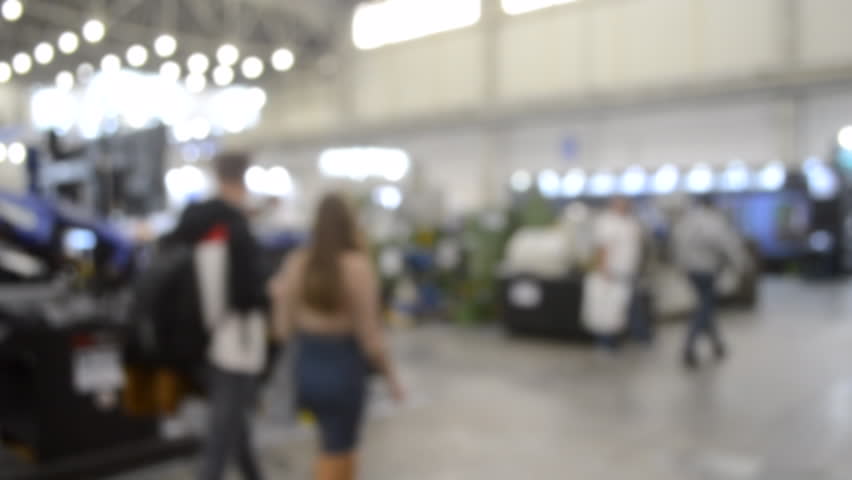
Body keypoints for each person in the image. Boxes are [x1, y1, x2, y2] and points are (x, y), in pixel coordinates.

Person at [268, 193, 404, 480]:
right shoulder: (357, 266)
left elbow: (281, 328)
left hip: (306, 364)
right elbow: (371, 338)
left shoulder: (297, 261)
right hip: (344, 366)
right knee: (341, 447)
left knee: (328, 444)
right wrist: (392, 378)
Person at [167, 152, 267, 480]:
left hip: (197, 332)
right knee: (223, 430)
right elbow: (244, 291)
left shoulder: (196, 220)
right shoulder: (233, 226)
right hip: (232, 338)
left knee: (234, 424)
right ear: (244, 177)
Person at [672, 195, 750, 369]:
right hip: (707, 270)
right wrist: (741, 265)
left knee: (705, 304)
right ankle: (689, 347)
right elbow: (727, 244)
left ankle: (717, 344)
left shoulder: (686, 220)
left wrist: (680, 267)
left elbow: (676, 244)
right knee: (704, 306)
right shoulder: (714, 221)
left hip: (690, 270)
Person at [589, 197, 644, 349]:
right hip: (613, 272)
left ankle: (638, 336)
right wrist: (603, 269)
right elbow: (602, 247)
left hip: (628, 271)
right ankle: (606, 342)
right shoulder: (606, 222)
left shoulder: (630, 222)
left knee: (627, 307)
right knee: (609, 309)